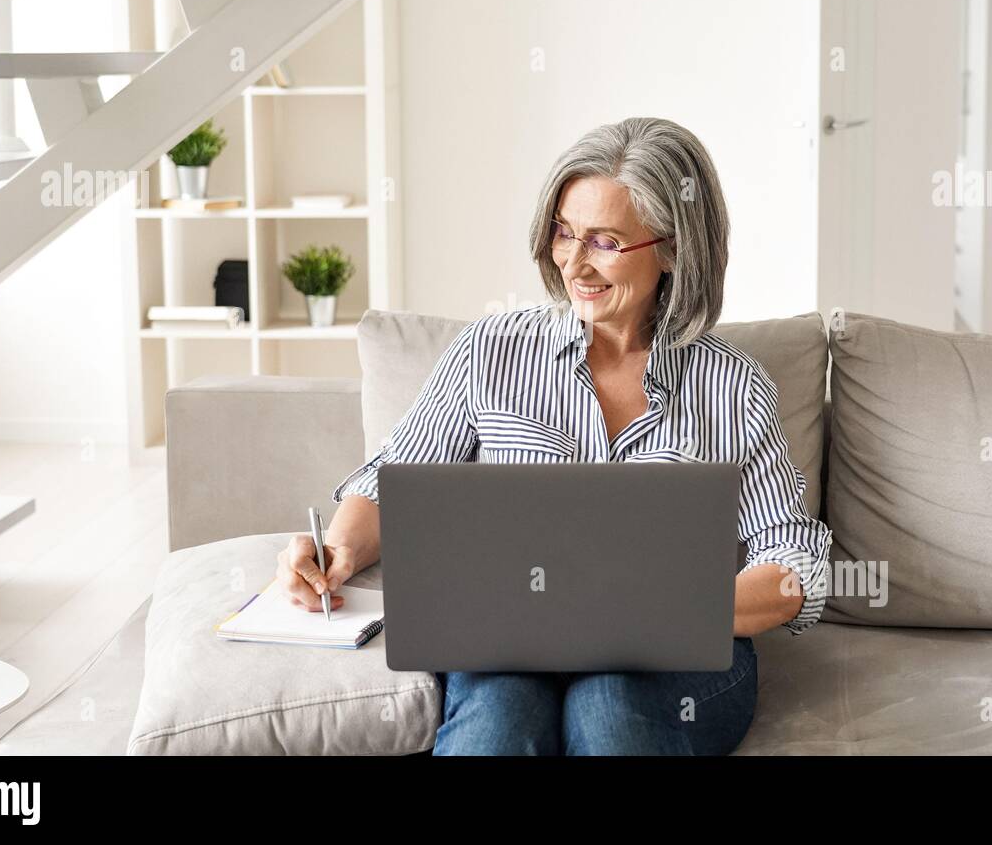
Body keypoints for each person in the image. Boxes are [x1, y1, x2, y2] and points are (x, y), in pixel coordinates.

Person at [276, 116, 833, 755]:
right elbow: (395, 478)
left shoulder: (734, 386)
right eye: (564, 232)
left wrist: (661, 615)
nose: (573, 263)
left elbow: (793, 566)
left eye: (604, 242)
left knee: (610, 708)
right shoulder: (491, 349)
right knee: (497, 722)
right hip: (510, 639)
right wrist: (337, 551)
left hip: (674, 661)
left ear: (675, 247)